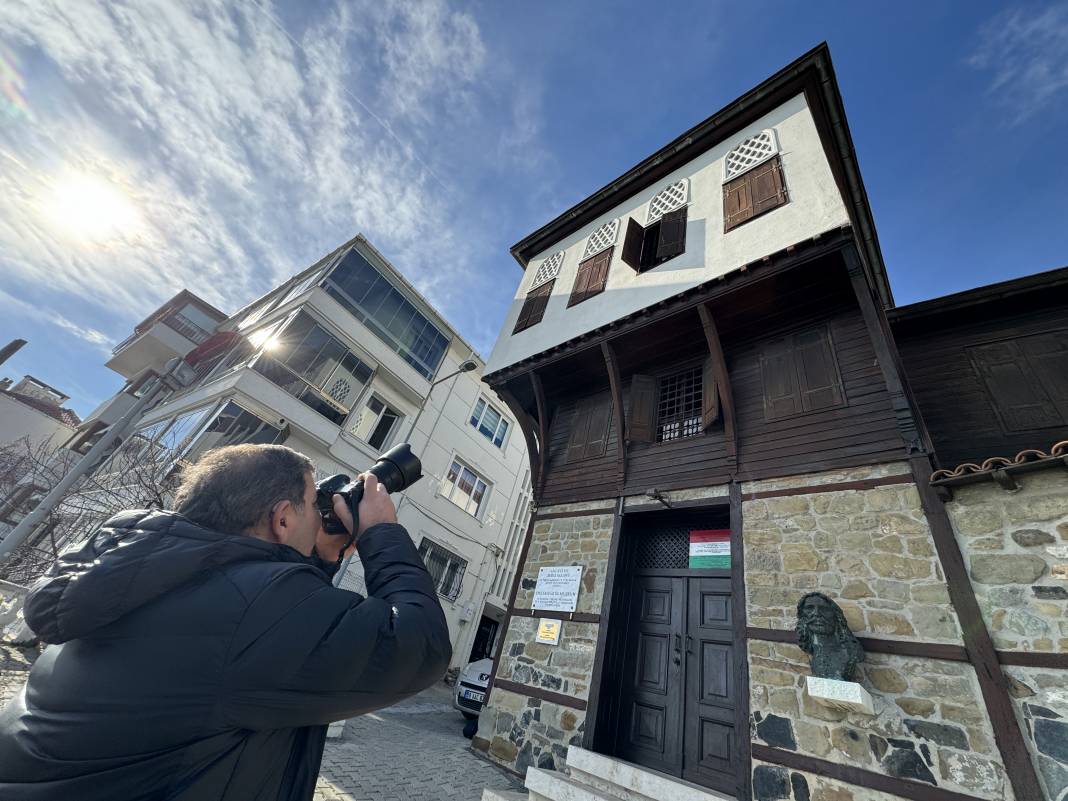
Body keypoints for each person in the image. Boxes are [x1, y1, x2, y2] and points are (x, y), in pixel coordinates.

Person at [0, 444, 451, 800]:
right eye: (315, 504)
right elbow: (420, 644)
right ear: (282, 517)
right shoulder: (256, 610)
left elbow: (262, 633)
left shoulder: (141, 575)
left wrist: (319, 560)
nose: (322, 516)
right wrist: (381, 532)